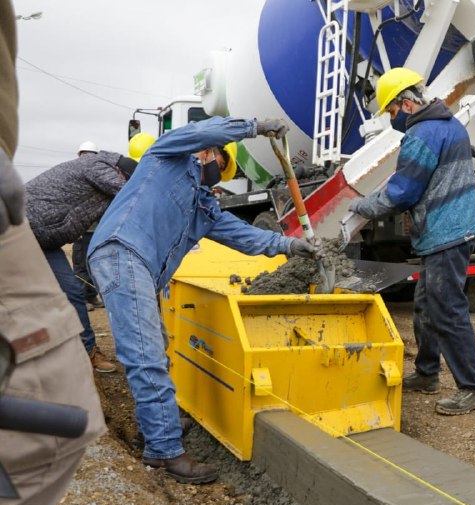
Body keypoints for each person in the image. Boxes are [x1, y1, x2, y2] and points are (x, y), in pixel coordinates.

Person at [87, 115, 322, 484]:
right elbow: (201, 130)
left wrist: (291, 245)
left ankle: (156, 424)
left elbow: (245, 236)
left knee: (155, 348)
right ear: (209, 151)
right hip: (123, 252)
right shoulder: (167, 156)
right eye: (221, 161)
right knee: (146, 356)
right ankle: (163, 453)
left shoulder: (203, 208)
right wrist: (255, 127)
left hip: (140, 266)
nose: (218, 169)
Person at [0, 4, 106, 505]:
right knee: (64, 305)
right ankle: (88, 352)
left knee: (69, 291)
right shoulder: (105, 170)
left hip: (38, 237)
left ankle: (87, 350)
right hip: (26, 234)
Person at [348, 67, 475, 416]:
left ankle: (473, 387)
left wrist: (359, 204)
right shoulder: (449, 124)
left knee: (447, 309)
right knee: (427, 304)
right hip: (453, 229)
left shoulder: (422, 135)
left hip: (445, 233)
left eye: (391, 112)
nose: (392, 119)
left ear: (406, 103)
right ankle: (427, 374)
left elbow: (401, 193)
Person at [25, 152, 138, 373]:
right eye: (127, 179)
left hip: (44, 241)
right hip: (16, 230)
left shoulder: (105, 187)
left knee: (73, 292)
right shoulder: (97, 166)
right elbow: (133, 194)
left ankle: (87, 352)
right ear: (118, 172)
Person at [72, 141, 104, 312]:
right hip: (82, 232)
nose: (86, 158)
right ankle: (81, 300)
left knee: (91, 266)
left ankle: (91, 296)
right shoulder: (75, 178)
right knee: (81, 268)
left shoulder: (98, 177)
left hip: (95, 231)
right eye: (84, 155)